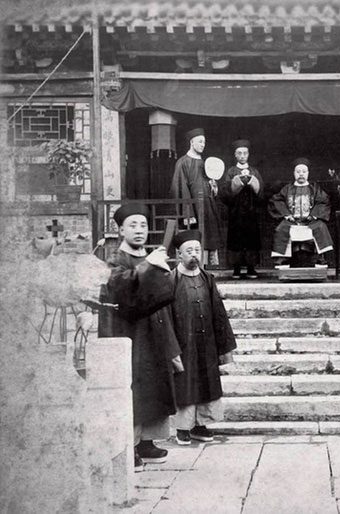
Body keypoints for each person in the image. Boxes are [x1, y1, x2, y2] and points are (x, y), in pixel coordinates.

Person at [98, 204, 184, 468]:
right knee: (134, 390)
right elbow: (121, 290)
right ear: (121, 229)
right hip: (131, 335)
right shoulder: (115, 259)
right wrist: (149, 266)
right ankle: (129, 444)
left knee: (155, 389)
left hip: (155, 335)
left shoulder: (151, 257)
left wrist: (172, 346)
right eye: (132, 225)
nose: (139, 230)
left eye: (143, 225)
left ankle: (147, 442)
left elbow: (164, 301)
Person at [169, 230, 237, 445]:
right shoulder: (171, 280)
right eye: (189, 251)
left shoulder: (207, 278)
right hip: (183, 341)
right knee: (184, 384)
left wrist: (224, 347)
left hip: (206, 341)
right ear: (179, 254)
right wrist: (170, 348)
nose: (194, 255)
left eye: (197, 250)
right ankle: (182, 428)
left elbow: (218, 312)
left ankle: (201, 424)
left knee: (206, 381)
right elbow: (165, 315)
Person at [170, 128, 222, 267]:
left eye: (204, 142)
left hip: (207, 206)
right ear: (192, 142)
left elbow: (209, 184)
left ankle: (206, 267)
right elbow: (180, 188)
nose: (202, 145)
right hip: (193, 207)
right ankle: (195, 266)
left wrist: (213, 187)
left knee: (209, 234)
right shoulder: (183, 162)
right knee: (195, 234)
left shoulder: (206, 163)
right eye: (200, 142)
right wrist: (188, 212)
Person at [268, 157, 333, 266]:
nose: (301, 174)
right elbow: (276, 200)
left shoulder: (314, 188)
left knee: (321, 227)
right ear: (294, 173)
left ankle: (320, 256)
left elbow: (323, 201)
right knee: (281, 229)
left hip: (310, 221)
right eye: (298, 172)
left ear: (308, 173)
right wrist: (286, 214)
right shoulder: (287, 188)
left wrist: (314, 215)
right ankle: (282, 257)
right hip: (292, 221)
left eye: (304, 171)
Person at [221, 139, 264, 279]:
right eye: (239, 153)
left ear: (248, 154)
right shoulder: (231, 172)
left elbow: (261, 192)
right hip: (236, 212)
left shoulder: (254, 171)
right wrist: (236, 185)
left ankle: (251, 268)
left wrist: (254, 185)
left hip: (252, 211)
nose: (242, 155)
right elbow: (226, 192)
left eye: (245, 153)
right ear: (235, 155)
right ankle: (237, 268)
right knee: (236, 239)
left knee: (251, 239)